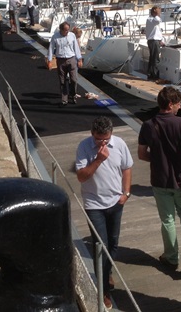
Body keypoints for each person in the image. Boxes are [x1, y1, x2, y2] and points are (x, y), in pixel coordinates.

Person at [137, 86, 181, 274]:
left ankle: (172, 257)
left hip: (160, 180)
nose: (180, 107)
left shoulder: (148, 125)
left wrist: (157, 159)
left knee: (167, 220)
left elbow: (142, 154)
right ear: (171, 104)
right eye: (179, 103)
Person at [75, 116, 133, 311]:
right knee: (101, 245)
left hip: (116, 202)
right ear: (92, 134)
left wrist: (125, 193)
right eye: (99, 139)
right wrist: (99, 159)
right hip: (94, 204)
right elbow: (82, 177)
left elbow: (127, 168)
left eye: (106, 139)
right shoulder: (84, 147)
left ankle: (106, 272)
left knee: (113, 243)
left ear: (111, 134)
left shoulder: (120, 144)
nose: (102, 143)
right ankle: (104, 289)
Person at [47, 21, 83, 106]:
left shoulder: (72, 35)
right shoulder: (55, 37)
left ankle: (73, 94)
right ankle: (64, 99)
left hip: (71, 59)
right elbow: (51, 49)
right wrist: (49, 61)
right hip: (61, 60)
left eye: (68, 30)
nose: (67, 32)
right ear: (61, 30)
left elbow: (76, 48)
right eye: (65, 30)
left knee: (74, 79)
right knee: (62, 81)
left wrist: (79, 59)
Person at [145, 6, 163, 80]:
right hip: (153, 41)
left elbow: (157, 31)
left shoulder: (152, 20)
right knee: (155, 58)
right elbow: (158, 21)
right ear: (154, 11)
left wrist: (160, 40)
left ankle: (150, 74)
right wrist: (157, 14)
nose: (160, 13)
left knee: (152, 58)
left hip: (155, 41)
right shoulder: (151, 19)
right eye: (159, 11)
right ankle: (154, 75)